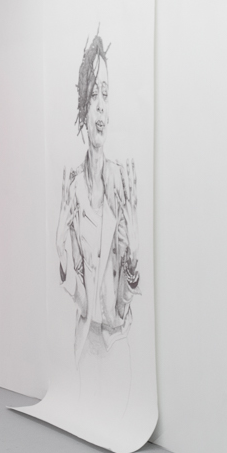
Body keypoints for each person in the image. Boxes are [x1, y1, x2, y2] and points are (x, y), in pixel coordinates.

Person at [55, 35, 138, 359]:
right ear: (83, 112)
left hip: (117, 342)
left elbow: (123, 301)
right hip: (85, 345)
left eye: (106, 94)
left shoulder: (121, 184)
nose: (102, 104)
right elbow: (82, 298)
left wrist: (134, 257)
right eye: (93, 95)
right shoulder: (74, 190)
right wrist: (61, 248)